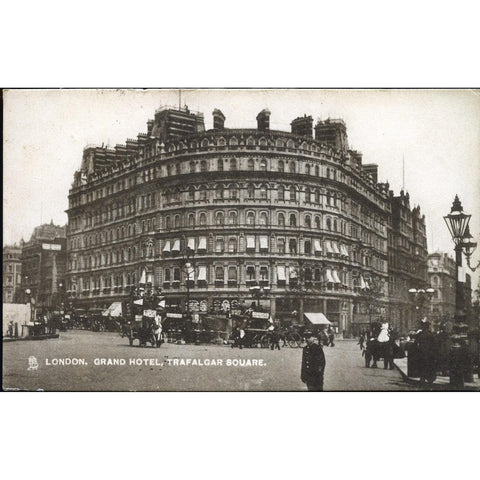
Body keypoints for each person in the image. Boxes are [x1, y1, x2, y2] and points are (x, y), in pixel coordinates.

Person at [414, 320, 437, 384]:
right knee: (429, 366)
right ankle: (430, 379)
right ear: (428, 327)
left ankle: (422, 378)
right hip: (429, 353)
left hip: (421, 353)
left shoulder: (420, 334)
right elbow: (435, 344)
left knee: (422, 366)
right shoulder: (431, 335)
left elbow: (415, 344)